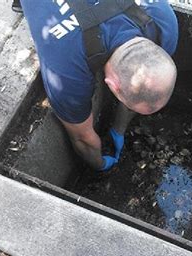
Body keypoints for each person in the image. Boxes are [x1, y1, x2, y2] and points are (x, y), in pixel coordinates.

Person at [20, 0, 178, 171]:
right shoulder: (66, 72)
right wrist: (101, 166)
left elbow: (147, 82)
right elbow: (83, 139)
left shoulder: (163, 19)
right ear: (111, 84)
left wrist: (119, 129)